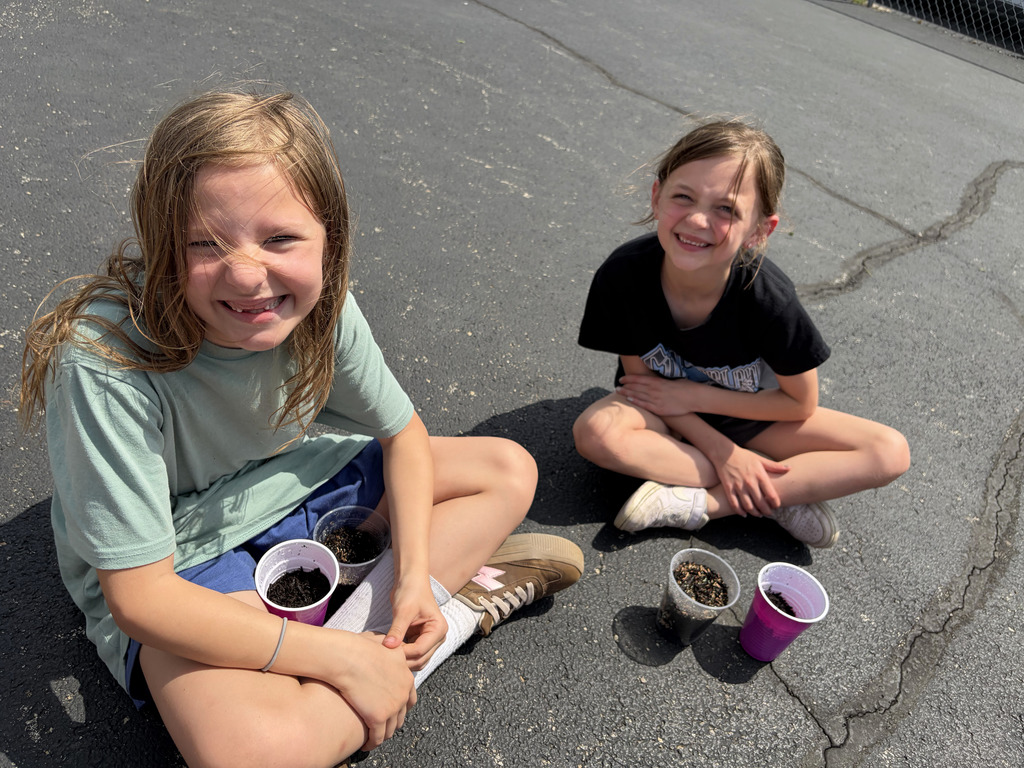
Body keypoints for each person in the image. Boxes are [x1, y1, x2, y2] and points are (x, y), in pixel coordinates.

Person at [20, 89, 584, 768]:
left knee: (508, 469)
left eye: (281, 238)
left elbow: (403, 436)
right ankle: (452, 612)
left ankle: (406, 625)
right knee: (249, 755)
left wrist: (409, 582)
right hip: (183, 553)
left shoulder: (323, 306)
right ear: (160, 239)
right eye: (206, 243)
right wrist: (338, 659)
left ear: (330, 239)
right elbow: (141, 597)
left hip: (302, 478)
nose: (247, 274)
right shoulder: (105, 360)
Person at [572, 118, 910, 548]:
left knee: (889, 451)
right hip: (662, 417)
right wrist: (723, 454)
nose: (697, 219)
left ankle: (707, 505)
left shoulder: (770, 300)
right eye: (683, 197)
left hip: (750, 417)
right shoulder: (622, 276)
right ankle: (777, 491)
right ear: (657, 197)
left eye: (726, 209)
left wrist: (702, 407)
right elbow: (643, 387)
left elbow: (800, 403)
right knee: (596, 433)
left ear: (759, 230)